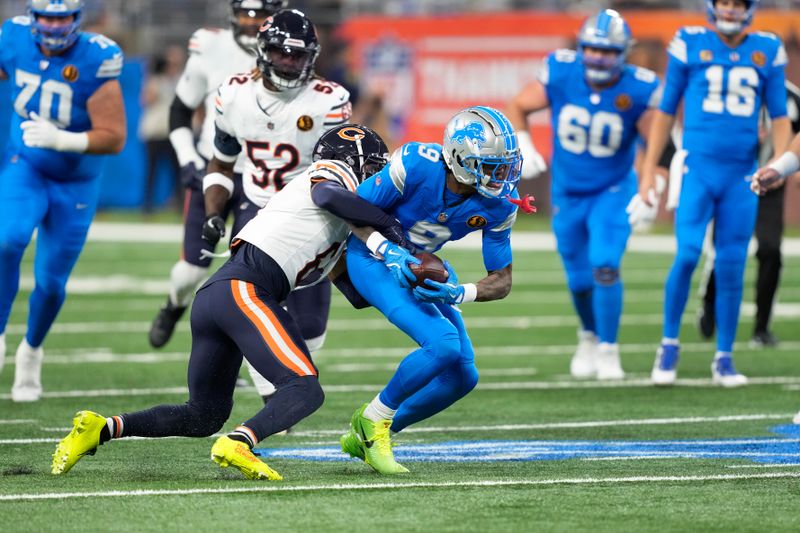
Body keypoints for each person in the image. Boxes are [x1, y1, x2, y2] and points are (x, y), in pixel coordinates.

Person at [51, 124, 402, 480]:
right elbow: (330, 196)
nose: (378, 181)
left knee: (203, 414)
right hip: (244, 290)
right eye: (374, 170)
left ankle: (101, 428)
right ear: (357, 164)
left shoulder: (337, 224)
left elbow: (357, 295)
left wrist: (411, 281)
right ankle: (240, 442)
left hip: (220, 296)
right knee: (304, 387)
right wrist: (388, 228)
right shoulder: (330, 178)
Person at [339, 106, 530, 475]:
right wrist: (387, 251)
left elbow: (502, 279)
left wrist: (460, 293)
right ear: (459, 158)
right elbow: (351, 210)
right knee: (442, 343)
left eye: (505, 166)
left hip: (420, 261)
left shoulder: (500, 203)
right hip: (371, 255)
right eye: (491, 166)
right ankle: (374, 419)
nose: (501, 176)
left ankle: (373, 433)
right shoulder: (416, 164)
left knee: (462, 376)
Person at [201, 8, 352, 403]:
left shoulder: (328, 100)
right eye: (282, 53)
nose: (289, 61)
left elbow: (342, 168)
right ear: (263, 51)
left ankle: (277, 381)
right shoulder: (233, 94)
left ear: (312, 57)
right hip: (256, 210)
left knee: (313, 328)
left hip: (310, 214)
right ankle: (275, 396)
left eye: (298, 55)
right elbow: (221, 161)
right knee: (255, 305)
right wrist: (214, 212)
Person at [639, 0, 790, 387]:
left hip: (741, 174)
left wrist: (780, 164)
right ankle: (668, 344)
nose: (729, 9)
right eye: (724, 1)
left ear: (748, 8)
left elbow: (779, 116)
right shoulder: (690, 42)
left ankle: (724, 357)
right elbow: (666, 111)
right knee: (688, 253)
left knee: (732, 264)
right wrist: (649, 170)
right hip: (698, 168)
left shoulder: (767, 49)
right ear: (712, 6)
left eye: (736, 3)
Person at [505, 9, 661, 380]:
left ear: (623, 52)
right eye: (591, 48)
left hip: (612, 188)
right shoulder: (561, 70)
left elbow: (653, 140)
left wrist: (650, 185)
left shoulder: (638, 86)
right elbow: (518, 106)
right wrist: (522, 141)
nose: (597, 57)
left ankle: (609, 348)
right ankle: (589, 335)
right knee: (578, 279)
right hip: (568, 190)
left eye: (607, 51)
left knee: (605, 263)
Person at [0, 0, 125, 402]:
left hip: (75, 180)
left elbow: (115, 135)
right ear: (33, 17)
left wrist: (63, 139)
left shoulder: (97, 56)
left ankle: (31, 351)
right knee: (8, 239)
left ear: (76, 18)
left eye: (62, 17)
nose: (54, 26)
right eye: (47, 17)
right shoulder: (13, 36)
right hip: (27, 166)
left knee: (50, 283)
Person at [148, 0, 286, 349]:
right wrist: (187, 159)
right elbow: (180, 108)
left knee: (247, 279)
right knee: (191, 271)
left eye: (261, 15)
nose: (253, 23)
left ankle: (231, 356)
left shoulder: (290, 50)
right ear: (233, 14)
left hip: (261, 178)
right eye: (246, 14)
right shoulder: (211, 46)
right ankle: (173, 305)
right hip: (214, 170)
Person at [697, 80, 800, 348]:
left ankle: (762, 326)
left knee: (770, 250)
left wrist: (785, 167)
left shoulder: (791, 97)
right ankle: (710, 302)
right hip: (733, 181)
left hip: (771, 185)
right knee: (727, 249)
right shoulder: (728, 89)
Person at [140, 46, 185, 213]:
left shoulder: (182, 80)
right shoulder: (155, 80)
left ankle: (179, 203)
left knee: (177, 171)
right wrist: (150, 75)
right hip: (154, 130)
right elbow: (146, 100)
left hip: (174, 130)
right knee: (152, 170)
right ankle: (147, 205)